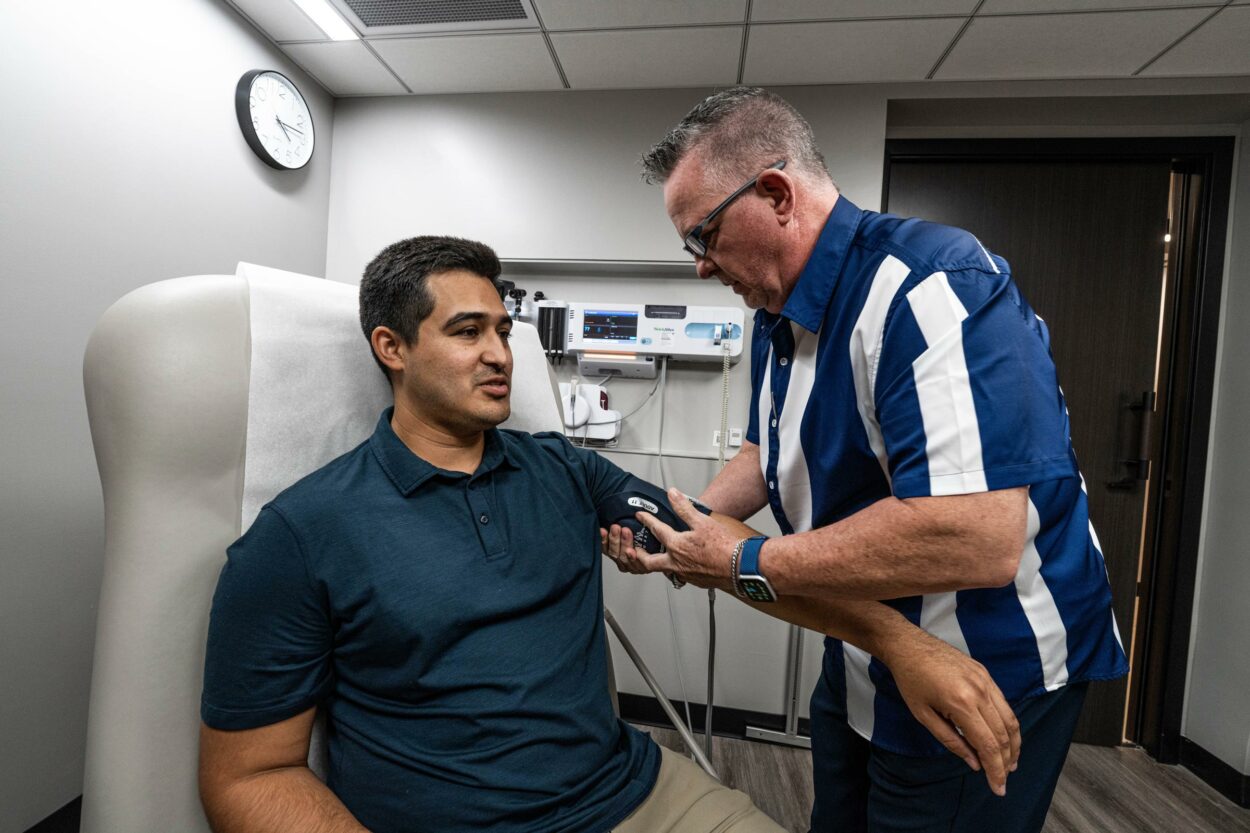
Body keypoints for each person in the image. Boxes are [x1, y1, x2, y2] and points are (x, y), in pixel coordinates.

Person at [198, 235, 1020, 833]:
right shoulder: (301, 534)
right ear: (392, 347)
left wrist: (897, 641)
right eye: (466, 331)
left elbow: (721, 550)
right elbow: (249, 773)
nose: (500, 356)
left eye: (503, 329)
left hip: (634, 796)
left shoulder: (565, 472)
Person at [617, 88, 1129, 833]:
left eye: (704, 235)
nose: (700, 266)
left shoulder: (932, 285)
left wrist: (747, 561)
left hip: (982, 661)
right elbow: (770, 450)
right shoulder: (775, 315)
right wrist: (689, 528)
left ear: (775, 193)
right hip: (864, 638)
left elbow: (977, 533)